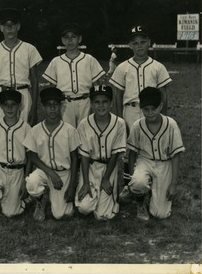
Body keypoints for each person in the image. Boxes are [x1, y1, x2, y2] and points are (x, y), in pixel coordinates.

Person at [109, 25, 172, 186]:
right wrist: (119, 119)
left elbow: (163, 94)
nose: (139, 46)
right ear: (130, 45)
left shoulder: (158, 67)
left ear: (149, 42)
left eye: (143, 42)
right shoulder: (122, 67)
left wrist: (162, 117)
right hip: (130, 110)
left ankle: (149, 184)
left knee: (149, 146)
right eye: (135, 43)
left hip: (151, 112)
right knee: (129, 149)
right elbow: (117, 95)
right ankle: (129, 186)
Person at [119, 87, 185, 220]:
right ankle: (140, 201)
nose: (150, 113)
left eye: (153, 108)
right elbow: (132, 153)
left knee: (160, 214)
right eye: (146, 109)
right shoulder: (137, 125)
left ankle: (150, 193)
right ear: (141, 109)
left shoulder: (171, 124)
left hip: (165, 163)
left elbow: (176, 156)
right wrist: (133, 177)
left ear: (160, 106)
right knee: (138, 182)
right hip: (145, 161)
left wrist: (173, 184)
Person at [23, 87, 80, 221]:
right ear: (43, 107)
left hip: (64, 173)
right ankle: (41, 199)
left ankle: (55, 196)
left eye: (56, 105)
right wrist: (50, 173)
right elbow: (32, 155)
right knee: (32, 182)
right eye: (49, 105)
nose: (52, 109)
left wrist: (72, 186)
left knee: (61, 215)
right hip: (44, 171)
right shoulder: (36, 130)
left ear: (61, 106)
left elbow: (74, 159)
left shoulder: (69, 130)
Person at [0, 8, 42, 125]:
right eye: (5, 25)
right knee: (3, 132)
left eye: (13, 25)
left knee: (25, 132)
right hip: (2, 93)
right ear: (1, 28)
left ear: (18, 26)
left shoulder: (29, 49)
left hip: (23, 93)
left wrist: (34, 108)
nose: (9, 28)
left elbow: (35, 80)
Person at [75, 85, 127, 220]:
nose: (101, 106)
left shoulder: (120, 123)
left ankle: (106, 198)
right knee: (84, 208)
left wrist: (105, 179)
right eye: (97, 102)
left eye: (105, 102)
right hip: (91, 168)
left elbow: (115, 155)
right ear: (91, 104)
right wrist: (86, 183)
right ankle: (89, 190)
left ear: (111, 103)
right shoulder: (84, 124)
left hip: (109, 167)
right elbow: (84, 157)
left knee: (104, 215)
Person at [0, 90, 32, 220]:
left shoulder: (26, 128)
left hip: (17, 171)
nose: (9, 108)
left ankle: (18, 199)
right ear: (1, 106)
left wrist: (25, 180)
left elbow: (30, 157)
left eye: (13, 104)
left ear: (20, 106)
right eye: (6, 105)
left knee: (11, 213)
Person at [42, 22, 105, 128]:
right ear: (62, 40)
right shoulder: (56, 61)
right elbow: (52, 89)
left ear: (79, 39)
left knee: (85, 132)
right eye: (66, 37)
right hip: (65, 103)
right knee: (67, 133)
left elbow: (96, 85)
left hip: (85, 101)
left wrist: (96, 104)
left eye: (73, 37)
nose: (70, 40)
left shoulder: (89, 59)